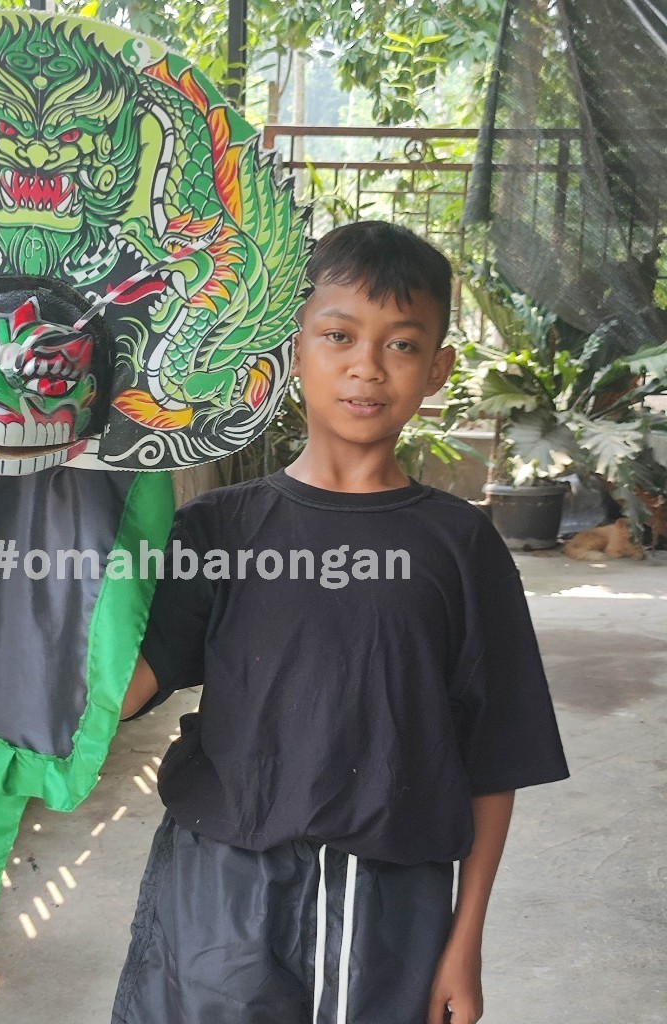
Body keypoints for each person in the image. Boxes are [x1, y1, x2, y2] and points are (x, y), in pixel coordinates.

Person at [112, 221, 569, 1024]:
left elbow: (495, 759)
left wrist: (465, 944)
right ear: (291, 349)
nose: (365, 365)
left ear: (437, 370)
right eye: (337, 335)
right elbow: (120, 692)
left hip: (391, 904)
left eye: (400, 344)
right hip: (220, 888)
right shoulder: (218, 529)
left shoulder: (460, 546)